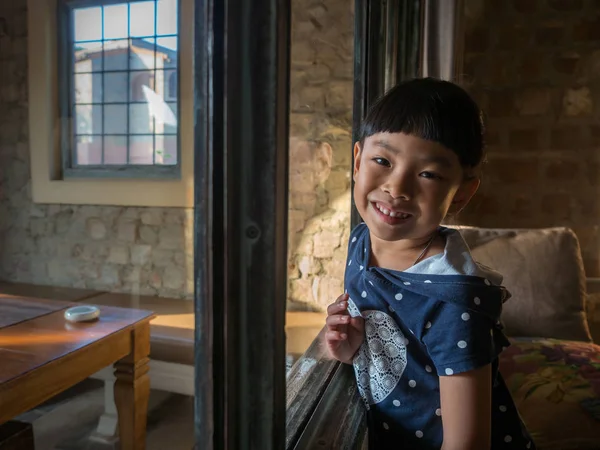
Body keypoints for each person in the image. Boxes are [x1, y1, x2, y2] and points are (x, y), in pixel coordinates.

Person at [324, 78, 535, 450]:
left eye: (428, 174)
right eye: (382, 160)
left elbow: (467, 443)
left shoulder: (452, 302)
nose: (397, 186)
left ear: (462, 193)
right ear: (357, 161)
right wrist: (353, 348)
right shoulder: (361, 241)